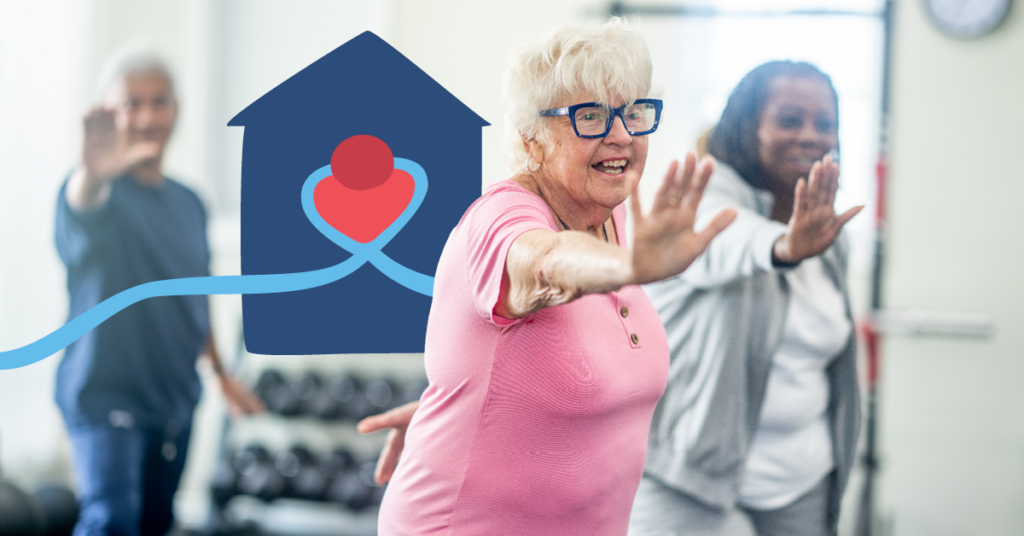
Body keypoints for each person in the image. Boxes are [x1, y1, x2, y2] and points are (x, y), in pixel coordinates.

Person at [362, 20, 735, 535]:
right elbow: (542, 260)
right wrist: (629, 269)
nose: (622, 134)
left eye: (634, 112)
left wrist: (466, 407)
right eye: (590, 116)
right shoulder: (501, 217)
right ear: (530, 139)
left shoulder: (617, 217)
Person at [628, 61, 863, 536]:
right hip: (689, 479)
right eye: (789, 119)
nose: (811, 136)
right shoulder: (705, 199)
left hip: (802, 482)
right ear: (747, 126)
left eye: (826, 124)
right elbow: (724, 242)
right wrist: (784, 249)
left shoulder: (830, 235)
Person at [54, 48, 263, 536]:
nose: (147, 116)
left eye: (159, 102)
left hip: (172, 398)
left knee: (155, 523)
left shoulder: (188, 202)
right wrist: (93, 172)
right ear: (108, 112)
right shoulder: (97, 191)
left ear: (176, 110)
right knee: (112, 521)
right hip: (107, 398)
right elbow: (83, 201)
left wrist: (219, 373)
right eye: (131, 103)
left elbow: (197, 295)